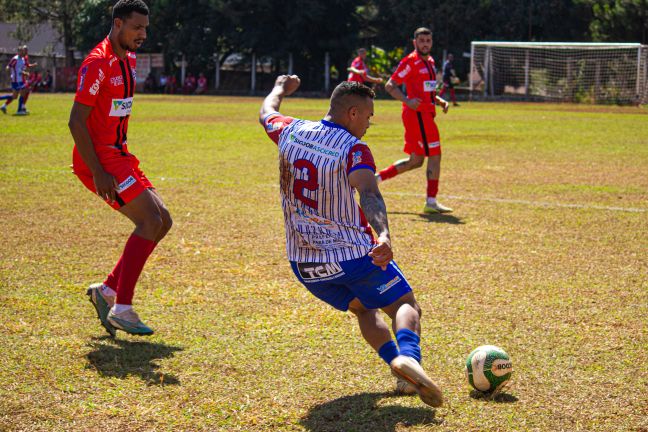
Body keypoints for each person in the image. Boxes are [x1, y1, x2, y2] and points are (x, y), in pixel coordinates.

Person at [259, 75, 443, 408]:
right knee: (406, 305)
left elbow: (266, 112)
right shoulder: (353, 148)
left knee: (362, 308)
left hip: (304, 264)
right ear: (353, 113)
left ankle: (398, 369)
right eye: (369, 116)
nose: (370, 123)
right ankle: (410, 359)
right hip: (353, 256)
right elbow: (369, 193)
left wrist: (279, 89)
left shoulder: (290, 130)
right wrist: (384, 233)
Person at [68, 0, 172, 337]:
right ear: (117, 23)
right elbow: (76, 121)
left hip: (119, 154)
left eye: (145, 28)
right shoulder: (98, 63)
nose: (143, 34)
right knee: (149, 220)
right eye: (136, 27)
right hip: (100, 159)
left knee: (163, 220)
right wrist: (98, 170)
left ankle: (108, 291)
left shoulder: (126, 58)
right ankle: (122, 309)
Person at [375, 27, 453, 214]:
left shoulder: (431, 62)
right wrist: (408, 101)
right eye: (422, 41)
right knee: (435, 154)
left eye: (428, 40)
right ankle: (431, 201)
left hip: (426, 114)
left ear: (431, 42)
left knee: (416, 160)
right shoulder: (410, 62)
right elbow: (390, 85)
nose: (425, 44)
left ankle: (375, 179)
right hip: (417, 116)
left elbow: (427, 90)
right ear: (415, 43)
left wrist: (439, 100)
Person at [0, 46, 30, 115]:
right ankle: (19, 110)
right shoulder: (15, 59)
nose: (22, 52)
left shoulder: (22, 59)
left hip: (20, 80)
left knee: (15, 96)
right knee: (22, 92)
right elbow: (9, 66)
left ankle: (20, 109)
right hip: (16, 81)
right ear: (18, 52)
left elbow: (20, 70)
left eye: (23, 51)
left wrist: (25, 73)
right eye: (21, 51)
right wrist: (8, 69)